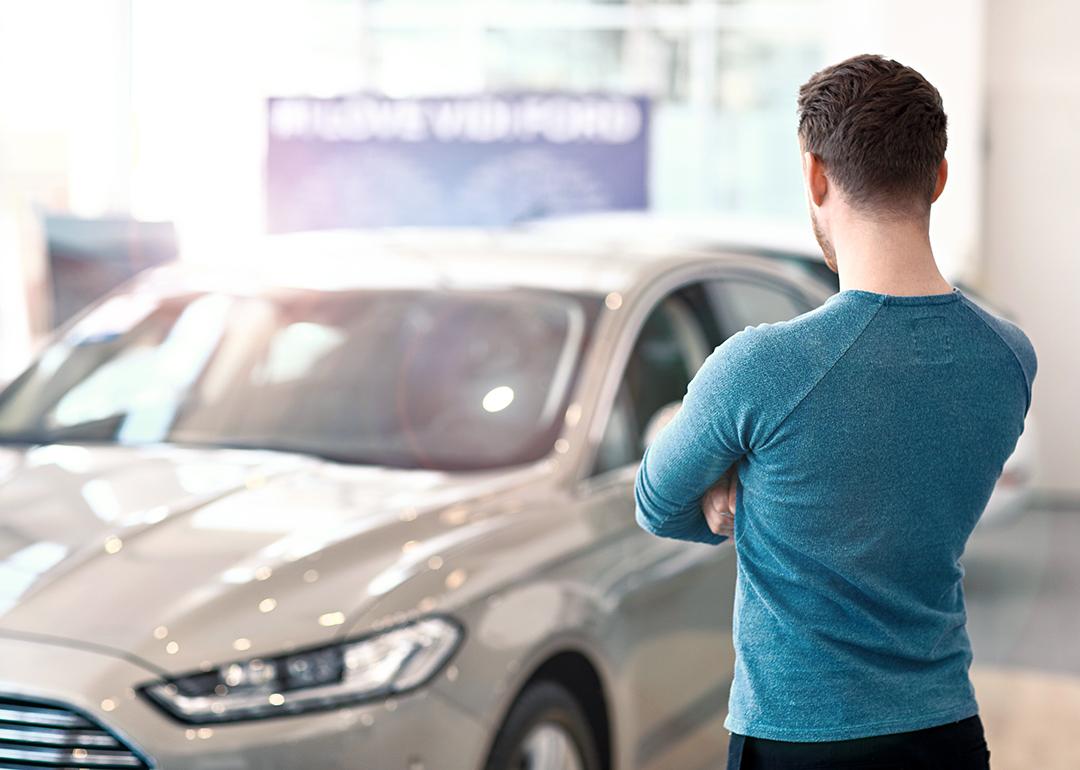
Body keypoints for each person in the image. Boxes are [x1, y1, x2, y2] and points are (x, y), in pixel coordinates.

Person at [633, 53, 1037, 770]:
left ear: (816, 176)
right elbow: (897, 483)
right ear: (938, 178)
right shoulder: (1009, 358)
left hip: (798, 742)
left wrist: (729, 469)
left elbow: (659, 505)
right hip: (945, 735)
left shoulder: (761, 369)